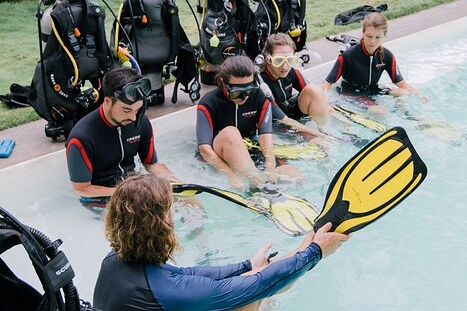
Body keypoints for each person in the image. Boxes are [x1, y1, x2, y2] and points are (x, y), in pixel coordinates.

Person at [93, 174, 348, 311]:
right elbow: (262, 283)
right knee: (249, 302)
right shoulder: (171, 294)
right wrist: (315, 253)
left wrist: (247, 264)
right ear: (161, 224)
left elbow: (188, 273)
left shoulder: (113, 262)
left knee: (257, 278)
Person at [65, 67, 178, 205]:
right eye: (126, 110)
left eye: (137, 110)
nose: (132, 117)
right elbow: (82, 189)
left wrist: (177, 185)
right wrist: (129, 191)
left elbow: (152, 165)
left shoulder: (140, 122)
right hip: (100, 199)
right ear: (107, 102)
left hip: (133, 188)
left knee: (182, 204)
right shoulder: (81, 137)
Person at [196, 55, 298, 190]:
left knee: (294, 175)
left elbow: (265, 137)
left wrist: (270, 166)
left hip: (249, 147)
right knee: (231, 132)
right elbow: (204, 149)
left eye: (249, 91)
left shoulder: (260, 97)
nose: (244, 97)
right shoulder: (208, 103)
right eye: (237, 93)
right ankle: (259, 187)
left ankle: (265, 187)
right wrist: (231, 175)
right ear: (224, 82)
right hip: (221, 153)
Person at [323, 12, 428, 102]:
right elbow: (328, 83)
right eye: (369, 36)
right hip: (350, 91)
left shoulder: (387, 56)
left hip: (373, 89)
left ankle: (402, 115)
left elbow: (401, 83)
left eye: (378, 37)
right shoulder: (348, 56)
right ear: (363, 33)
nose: (373, 41)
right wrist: (324, 98)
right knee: (379, 111)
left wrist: (419, 94)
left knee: (404, 93)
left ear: (384, 36)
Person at [260, 33, 331, 135]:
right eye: (278, 60)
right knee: (319, 140)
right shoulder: (262, 83)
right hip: (277, 123)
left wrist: (342, 119)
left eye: (290, 60)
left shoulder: (291, 71)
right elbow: (283, 120)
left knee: (314, 90)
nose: (284, 67)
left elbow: (318, 96)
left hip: (289, 112)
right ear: (268, 58)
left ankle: (324, 129)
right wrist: (319, 135)